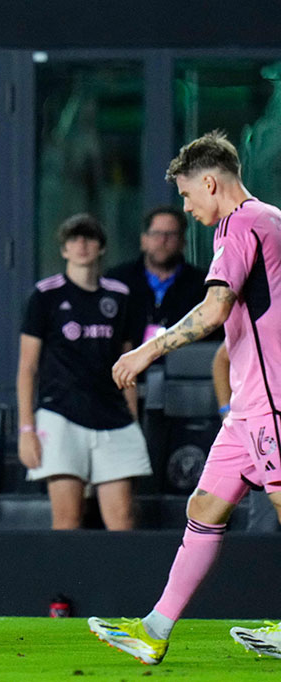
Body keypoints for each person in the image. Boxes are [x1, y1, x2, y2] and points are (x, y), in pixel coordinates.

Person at [89, 130, 281, 664]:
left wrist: (146, 352)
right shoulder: (270, 220)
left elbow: (216, 309)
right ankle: (154, 628)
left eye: (186, 193)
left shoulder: (240, 223)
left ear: (210, 181)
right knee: (204, 506)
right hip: (247, 405)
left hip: (273, 400)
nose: (185, 205)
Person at [16, 214, 151, 530]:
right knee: (67, 519)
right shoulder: (45, 295)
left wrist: (132, 415)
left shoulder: (119, 295)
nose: (82, 244)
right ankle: (62, 581)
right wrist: (26, 431)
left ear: (101, 247)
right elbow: (27, 366)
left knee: (122, 519)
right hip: (60, 414)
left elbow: (127, 361)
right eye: (74, 239)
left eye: (89, 237)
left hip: (113, 415)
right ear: (63, 249)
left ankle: (123, 581)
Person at [106, 206, 218, 349]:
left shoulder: (203, 285)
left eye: (171, 234)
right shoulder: (117, 282)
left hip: (183, 367)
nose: (163, 241)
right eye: (156, 234)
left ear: (183, 241)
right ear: (144, 240)